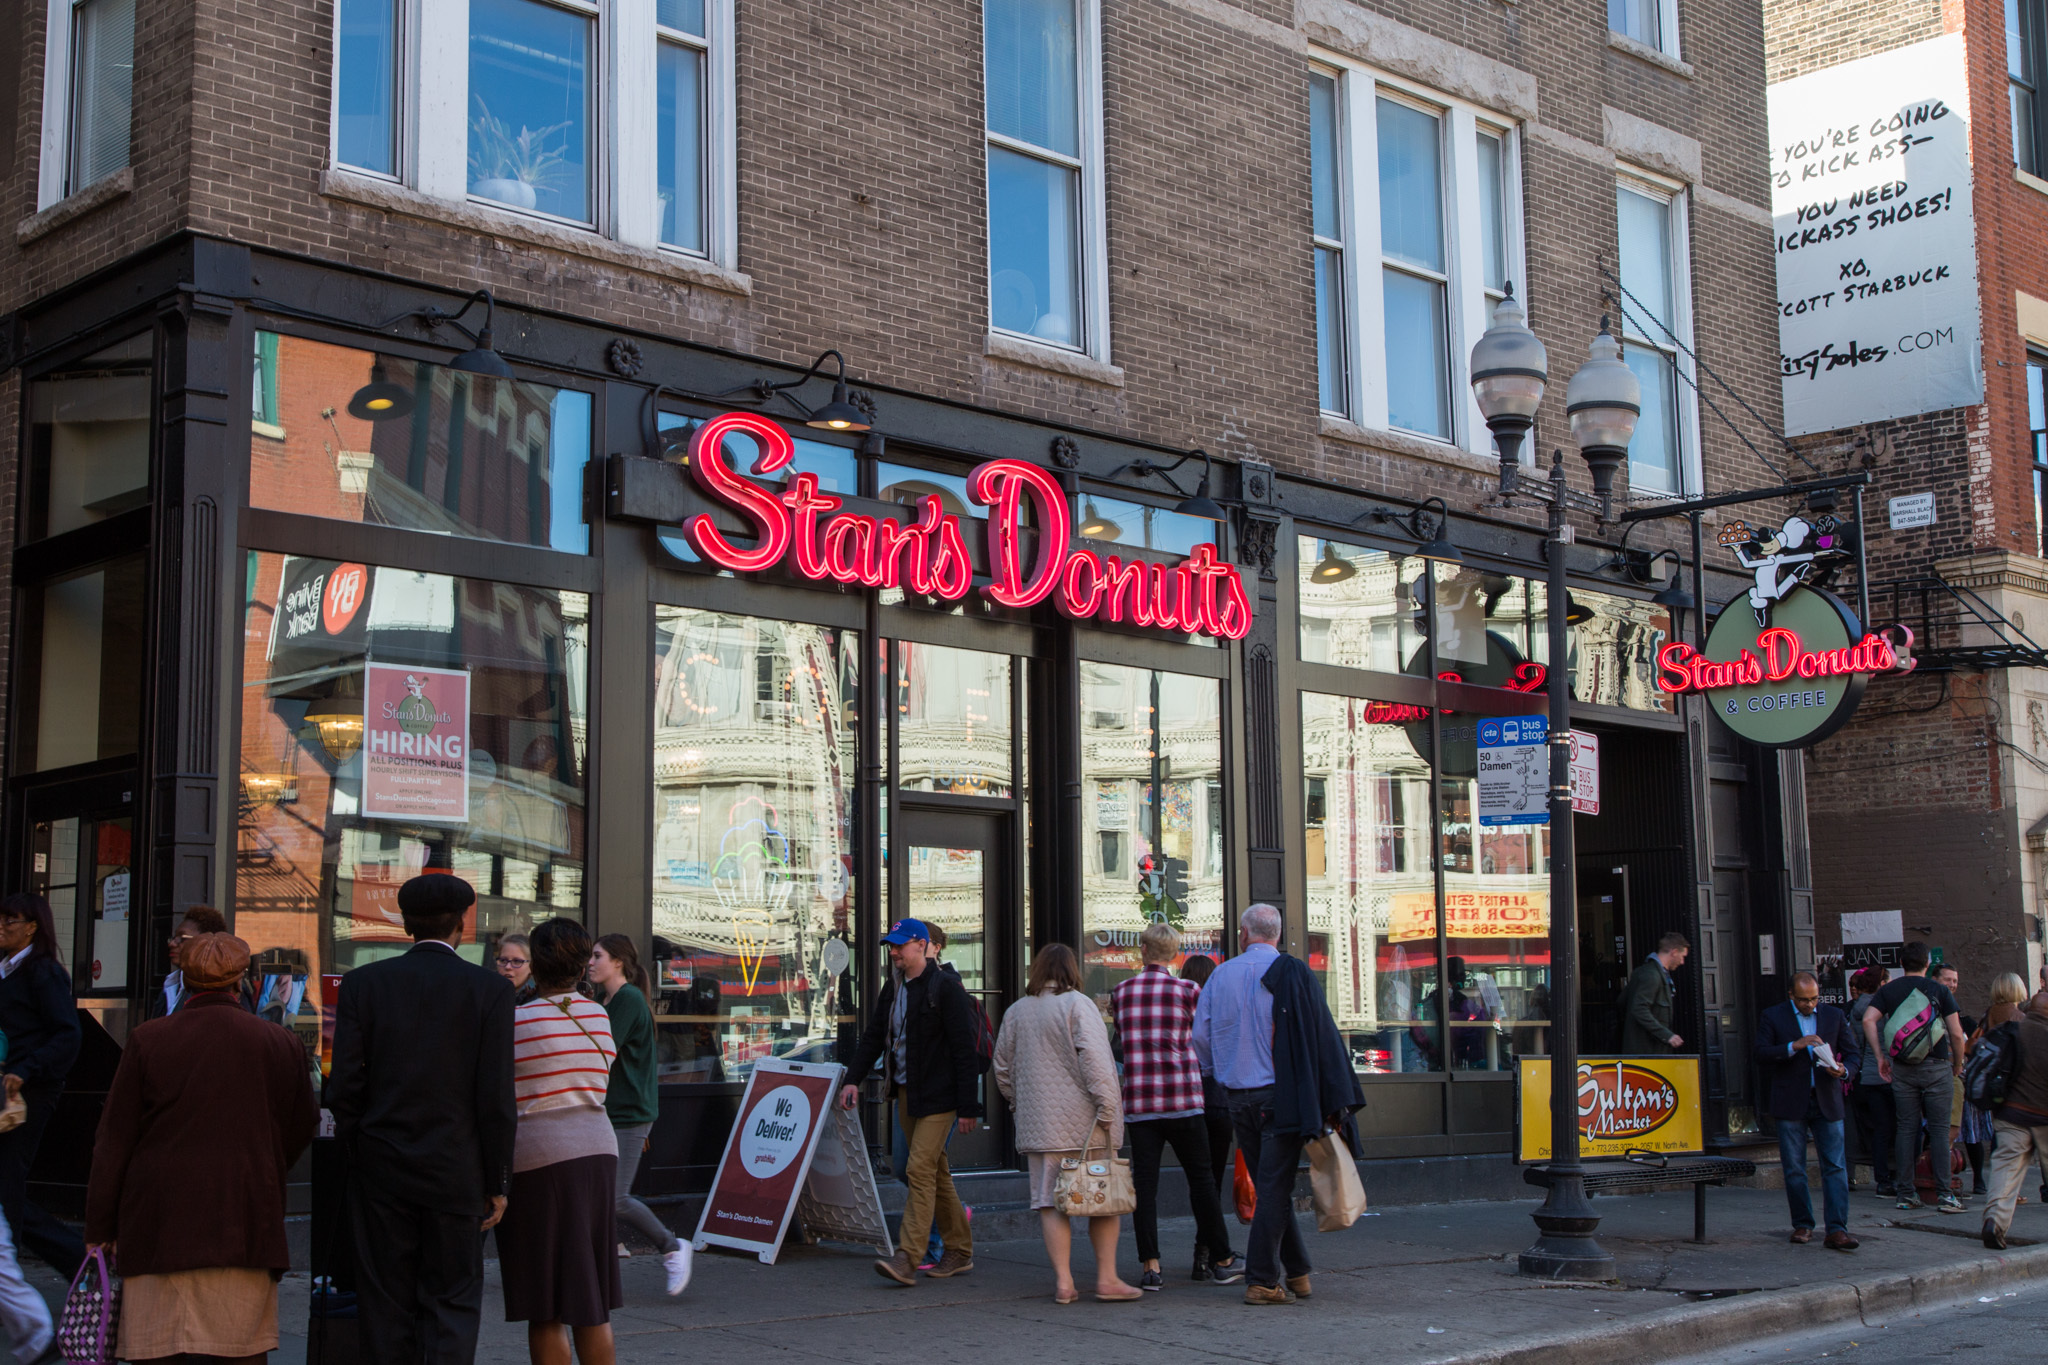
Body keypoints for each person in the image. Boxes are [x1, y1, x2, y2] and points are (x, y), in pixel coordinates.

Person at [86, 932, 318, 1364]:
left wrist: (99, 1228)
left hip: (159, 1220)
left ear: (185, 981)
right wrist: (264, 1166)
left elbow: (113, 1140)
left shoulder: (148, 1039)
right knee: (238, 1350)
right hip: (244, 1216)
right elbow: (301, 1124)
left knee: (158, 1350)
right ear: (241, 981)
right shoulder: (278, 1042)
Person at [326, 873, 517, 1365]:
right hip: (458, 1172)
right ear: (462, 924)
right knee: (452, 1301)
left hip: (382, 1170)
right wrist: (498, 1181)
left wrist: (360, 1146)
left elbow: (344, 1086)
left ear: (405, 924)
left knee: (384, 1302)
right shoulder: (490, 990)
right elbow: (495, 1096)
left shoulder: (364, 983)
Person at [1192, 904, 1363, 1306]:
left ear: (1243, 934)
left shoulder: (1221, 975)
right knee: (1273, 1186)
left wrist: (1220, 1069)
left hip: (1237, 1097)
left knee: (1272, 1185)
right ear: (1277, 934)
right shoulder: (1294, 972)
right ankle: (1263, 1279)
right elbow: (1319, 1035)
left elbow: (1201, 1035)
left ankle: (1298, 1272)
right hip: (1280, 1096)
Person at [500, 918, 622, 1365]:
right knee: (592, 1299)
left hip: (540, 1159)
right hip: (598, 1151)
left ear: (536, 964)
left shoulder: (517, 1020)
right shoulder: (598, 1015)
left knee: (544, 1303)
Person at [993, 943, 1140, 1303]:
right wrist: (1108, 1108)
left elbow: (1001, 1068)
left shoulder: (1016, 1012)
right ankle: (1107, 1278)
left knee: (1048, 1201)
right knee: (1102, 1197)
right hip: (1085, 1124)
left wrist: (1019, 1104)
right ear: (1073, 970)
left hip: (1040, 1126)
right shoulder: (1078, 1004)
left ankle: (1064, 1282)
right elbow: (1096, 1061)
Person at [839, 918, 980, 1286]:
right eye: (891, 946)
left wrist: (969, 1106)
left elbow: (964, 1050)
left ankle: (908, 1256)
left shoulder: (946, 987)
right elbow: (873, 1036)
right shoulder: (895, 986)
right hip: (906, 1092)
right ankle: (960, 1250)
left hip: (941, 1096)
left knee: (918, 1169)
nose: (895, 952)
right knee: (930, 1170)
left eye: (901, 945)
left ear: (923, 945)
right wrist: (852, 1079)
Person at [1111, 923, 1242, 1290]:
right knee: (1201, 1180)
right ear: (1173, 955)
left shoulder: (1122, 992)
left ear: (1143, 951)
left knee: (1145, 1186)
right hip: (1183, 1098)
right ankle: (1221, 1257)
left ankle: (1150, 1265)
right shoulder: (1189, 990)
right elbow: (1202, 1039)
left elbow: (1122, 1041)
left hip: (1141, 1102)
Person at [587, 933, 691, 1296]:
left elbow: (601, 1053)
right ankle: (594, 1268)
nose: (590, 962)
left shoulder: (626, 1000)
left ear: (618, 961)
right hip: (611, 1110)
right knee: (597, 1195)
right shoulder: (608, 999)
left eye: (597, 956)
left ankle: (673, 1247)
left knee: (615, 1197)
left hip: (629, 1113)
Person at [0, 893, 83, 1278]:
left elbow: (67, 1034)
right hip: (7, 1086)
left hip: (27, 1093)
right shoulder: (5, 970)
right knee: (6, 1185)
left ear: (32, 926)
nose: (1, 928)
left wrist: (26, 1069)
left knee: (8, 1179)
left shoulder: (43, 972)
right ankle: (72, 1256)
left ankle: (9, 1279)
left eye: (9, 921)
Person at [1755, 971, 1859, 1250]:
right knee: (1794, 1168)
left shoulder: (1834, 1016)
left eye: (1814, 999)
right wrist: (1793, 1046)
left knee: (1835, 1166)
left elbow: (1853, 1054)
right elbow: (1761, 1053)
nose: (1810, 1005)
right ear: (1791, 995)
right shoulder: (1773, 1016)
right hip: (1791, 1100)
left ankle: (1837, 1229)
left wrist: (1843, 1070)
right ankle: (1802, 1224)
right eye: (1803, 1000)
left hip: (1827, 1097)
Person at [1862, 941, 1969, 1213]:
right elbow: (1956, 1034)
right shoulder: (1939, 990)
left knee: (1906, 1129)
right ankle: (1945, 1195)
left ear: (1902, 964)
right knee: (1939, 1130)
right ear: (1926, 965)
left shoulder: (1889, 990)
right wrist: (1957, 1063)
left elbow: (1868, 1020)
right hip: (1936, 1066)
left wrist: (1880, 1057)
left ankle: (1906, 1193)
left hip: (1903, 1068)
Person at [1178, 952, 1235, 1269]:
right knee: (1211, 1180)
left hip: (1189, 1099)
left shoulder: (1179, 1006)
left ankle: (1206, 1251)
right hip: (1220, 1100)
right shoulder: (1219, 1007)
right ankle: (1207, 1251)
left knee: (1197, 1181)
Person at [1980, 988, 2048, 1248]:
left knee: (2005, 1171)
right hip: (2044, 1117)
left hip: (2010, 1116)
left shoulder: (2013, 1032)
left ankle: (1994, 1222)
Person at [1942, 964, 1993, 1195]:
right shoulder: (1933, 1013)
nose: (1952, 984)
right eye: (1948, 980)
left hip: (1964, 1078)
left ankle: (1979, 1178)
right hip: (1945, 1077)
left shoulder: (1963, 1017)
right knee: (1943, 1130)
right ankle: (1941, 1175)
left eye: (1955, 980)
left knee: (1971, 1131)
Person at [1846, 966, 1896, 1197]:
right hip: (1886, 1071)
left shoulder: (1856, 1008)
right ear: (1882, 984)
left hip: (1866, 1076)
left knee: (1880, 1129)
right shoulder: (1881, 1009)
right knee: (1901, 1127)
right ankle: (1896, 1175)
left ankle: (1882, 1179)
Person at [145, 905, 235, 1020]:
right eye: (173, 938)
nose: (172, 944)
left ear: (207, 943)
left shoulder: (223, 989)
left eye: (182, 938)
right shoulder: (170, 984)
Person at [1619, 932, 1690, 1055]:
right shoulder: (1652, 975)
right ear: (1673, 952)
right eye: (1682, 956)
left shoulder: (1647, 972)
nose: (1682, 962)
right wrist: (1667, 1035)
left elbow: (1621, 1001)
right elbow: (1639, 1009)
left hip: (1647, 1050)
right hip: (1647, 1050)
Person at [497, 933, 538, 1004]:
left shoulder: (536, 1001)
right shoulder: (486, 995)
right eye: (503, 960)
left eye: (517, 961)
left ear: (531, 966)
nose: (508, 967)